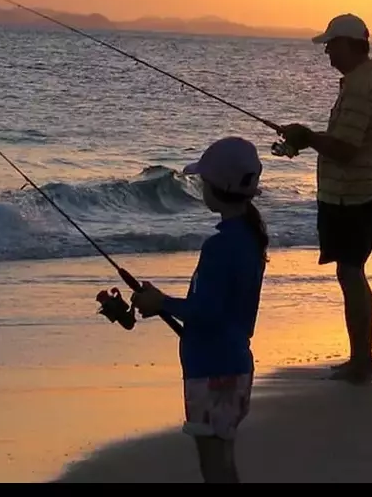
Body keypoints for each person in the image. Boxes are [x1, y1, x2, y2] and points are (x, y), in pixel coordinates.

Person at [131, 136, 268, 484]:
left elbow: (206, 311)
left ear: (216, 186)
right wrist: (164, 303)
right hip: (235, 365)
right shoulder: (250, 239)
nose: (201, 187)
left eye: (203, 181)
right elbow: (221, 310)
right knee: (223, 460)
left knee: (213, 465)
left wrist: (159, 303)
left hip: (212, 371)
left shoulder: (220, 246)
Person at [277, 13, 372, 385]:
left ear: (349, 45)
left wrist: (308, 136)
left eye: (331, 44)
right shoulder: (367, 82)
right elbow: (346, 144)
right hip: (359, 192)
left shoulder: (363, 88)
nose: (327, 51)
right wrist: (307, 140)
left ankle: (361, 361)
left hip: (355, 196)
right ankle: (360, 358)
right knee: (350, 272)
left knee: (350, 272)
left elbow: (345, 150)